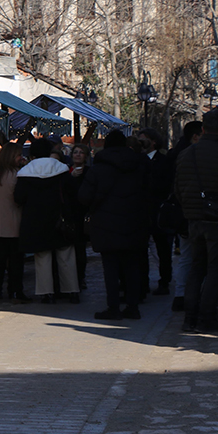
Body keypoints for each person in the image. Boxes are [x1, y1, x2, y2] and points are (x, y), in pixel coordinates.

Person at [79, 130, 150, 320]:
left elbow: (84, 197)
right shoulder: (139, 165)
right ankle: (133, 306)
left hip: (105, 224)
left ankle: (113, 307)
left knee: (110, 267)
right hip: (134, 222)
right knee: (133, 266)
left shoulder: (98, 169)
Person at [174, 109, 218, 333]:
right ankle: (207, 317)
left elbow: (178, 188)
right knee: (216, 270)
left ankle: (190, 316)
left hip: (194, 218)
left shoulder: (187, 153)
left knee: (197, 268)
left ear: (202, 129)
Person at [15, 138, 80, 303]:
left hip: (36, 220)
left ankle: (46, 293)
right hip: (60, 218)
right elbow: (72, 193)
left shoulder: (25, 173)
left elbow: (18, 198)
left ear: (32, 154)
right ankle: (71, 290)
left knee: (42, 257)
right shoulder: (61, 169)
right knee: (66, 256)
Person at [0, 142, 30, 303]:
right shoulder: (19, 174)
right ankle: (15, 291)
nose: (21, 158)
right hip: (15, 222)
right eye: (19, 155)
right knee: (16, 262)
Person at [167, 121, 202, 312]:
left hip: (184, 213)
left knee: (186, 257)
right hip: (195, 214)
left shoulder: (177, 154)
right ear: (195, 137)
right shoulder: (193, 155)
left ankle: (180, 295)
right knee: (196, 257)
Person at [136, 128, 174, 297]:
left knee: (163, 249)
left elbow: (166, 184)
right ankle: (143, 283)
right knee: (141, 249)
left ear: (153, 142)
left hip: (158, 211)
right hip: (142, 211)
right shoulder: (137, 161)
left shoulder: (163, 161)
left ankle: (164, 281)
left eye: (143, 140)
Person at [68, 144, 91, 290]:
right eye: (75, 152)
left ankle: (81, 276)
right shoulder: (66, 171)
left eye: (81, 153)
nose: (78, 155)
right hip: (70, 214)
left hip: (83, 214)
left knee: (80, 249)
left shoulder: (89, 172)